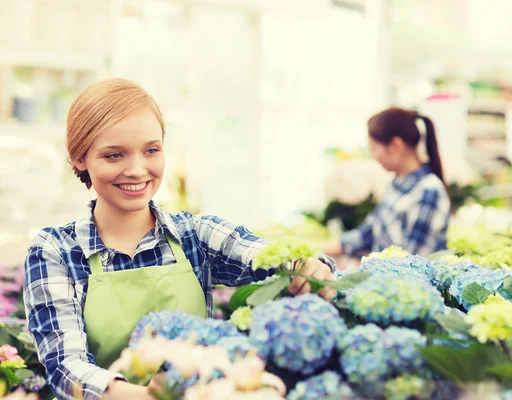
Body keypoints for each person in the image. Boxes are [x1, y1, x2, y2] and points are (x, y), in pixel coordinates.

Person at [23, 78, 336, 400]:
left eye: (151, 150)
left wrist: (310, 266)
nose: (137, 169)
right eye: (114, 155)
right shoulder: (55, 251)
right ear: (79, 158)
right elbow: (66, 367)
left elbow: (265, 255)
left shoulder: (195, 236)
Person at [324, 107, 451, 259]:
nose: (373, 156)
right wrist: (317, 251)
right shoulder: (396, 183)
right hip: (383, 278)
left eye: (374, 148)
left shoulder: (429, 191)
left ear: (396, 146)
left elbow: (412, 263)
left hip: (403, 281)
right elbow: (369, 232)